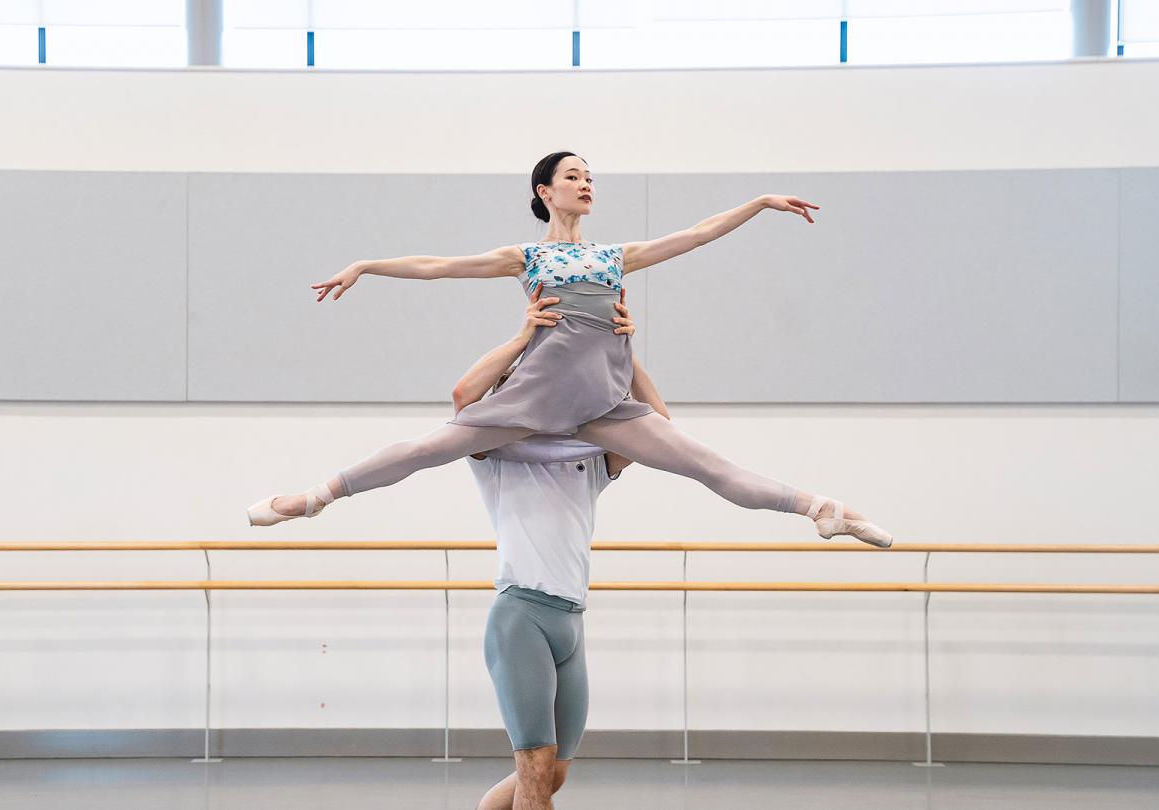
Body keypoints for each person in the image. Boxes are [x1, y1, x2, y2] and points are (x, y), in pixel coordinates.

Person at [247, 151, 892, 547]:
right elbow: (438, 265)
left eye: (590, 177)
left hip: (603, 404)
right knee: (425, 449)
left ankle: (822, 510)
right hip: (533, 399)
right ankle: (314, 498)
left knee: (706, 465)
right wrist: (366, 264)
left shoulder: (615, 257)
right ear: (544, 193)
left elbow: (694, 236)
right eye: (573, 176)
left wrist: (757, 202)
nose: (586, 184)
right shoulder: (526, 258)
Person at [461, 288, 666, 810]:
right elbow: (464, 396)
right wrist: (524, 336)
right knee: (532, 773)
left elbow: (659, 429)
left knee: (550, 777)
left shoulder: (587, 458)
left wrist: (623, 349)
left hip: (571, 622)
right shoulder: (497, 453)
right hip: (521, 615)